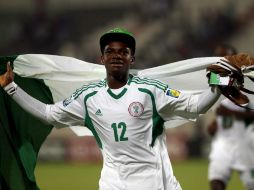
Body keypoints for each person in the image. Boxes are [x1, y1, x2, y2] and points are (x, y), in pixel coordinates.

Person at [0, 28, 225, 190]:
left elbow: (196, 105)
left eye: (123, 51)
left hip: (155, 182)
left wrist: (218, 82)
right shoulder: (88, 97)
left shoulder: (150, 90)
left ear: (132, 58)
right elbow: (49, 114)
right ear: (102, 58)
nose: (116, 55)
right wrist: (11, 88)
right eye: (110, 51)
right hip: (113, 183)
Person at [207, 44, 254, 190]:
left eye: (222, 57)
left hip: (245, 143)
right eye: (216, 57)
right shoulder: (218, 83)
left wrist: (232, 114)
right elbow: (214, 80)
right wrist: (216, 123)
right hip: (223, 142)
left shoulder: (248, 81)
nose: (218, 60)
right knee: (216, 182)